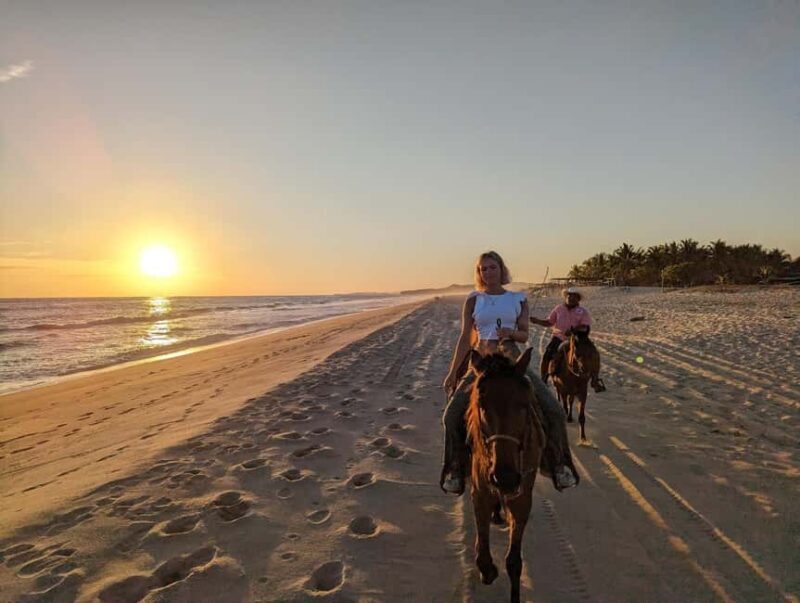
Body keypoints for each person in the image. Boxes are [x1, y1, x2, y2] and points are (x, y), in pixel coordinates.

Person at [440, 251, 579, 495]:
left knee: (554, 410)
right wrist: (453, 372)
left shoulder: (518, 298)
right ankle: (455, 470)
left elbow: (524, 334)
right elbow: (465, 338)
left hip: (512, 359)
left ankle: (559, 466)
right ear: (479, 273)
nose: (488, 272)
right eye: (483, 269)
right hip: (483, 360)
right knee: (451, 415)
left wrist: (511, 334)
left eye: (492, 267)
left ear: (502, 270)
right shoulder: (473, 299)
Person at [530, 287, 606, 392]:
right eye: (568, 295)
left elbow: (585, 326)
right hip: (559, 337)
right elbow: (549, 322)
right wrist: (537, 321)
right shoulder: (558, 308)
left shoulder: (583, 311)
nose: (570, 297)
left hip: (577, 338)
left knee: (594, 354)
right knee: (547, 355)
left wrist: (574, 330)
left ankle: (595, 380)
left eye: (573, 296)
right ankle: (544, 379)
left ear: (578, 299)